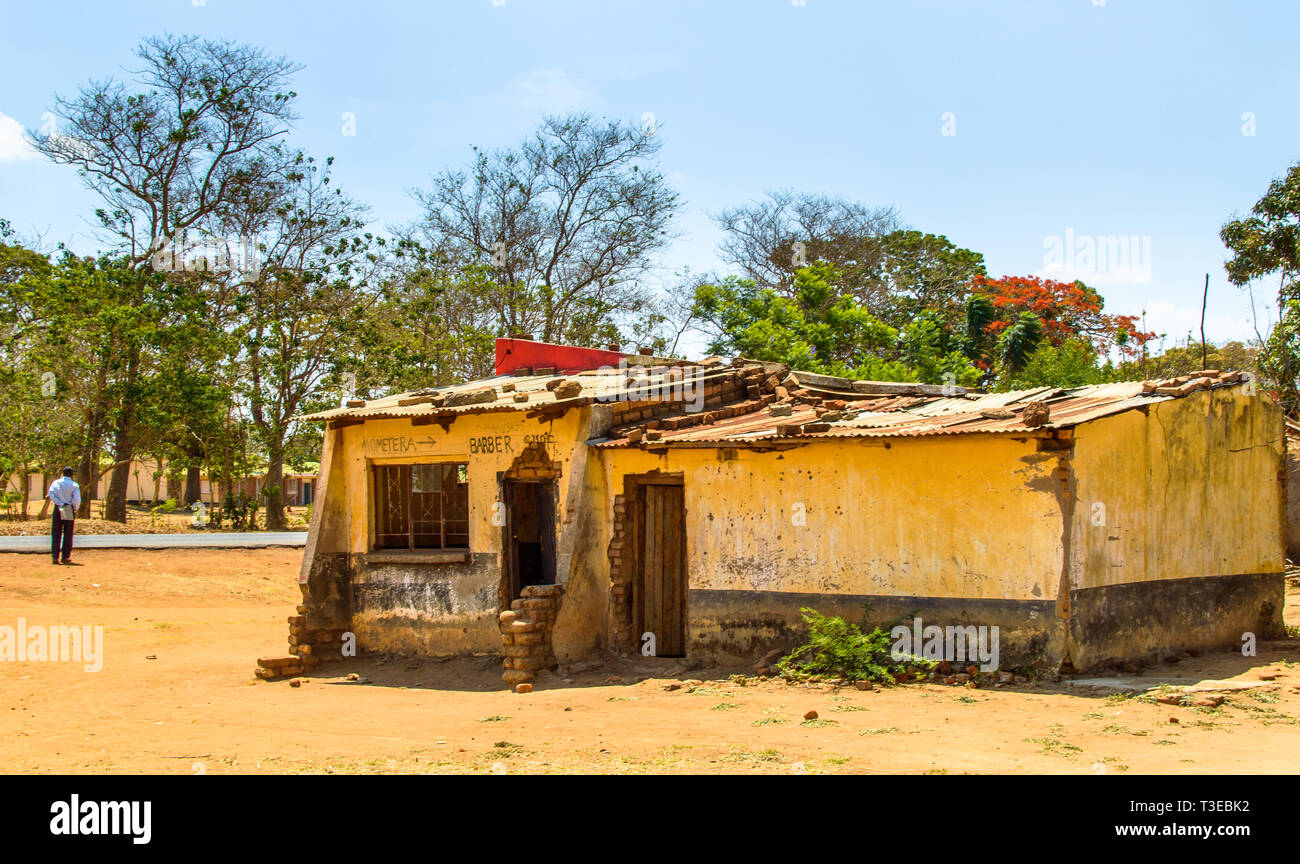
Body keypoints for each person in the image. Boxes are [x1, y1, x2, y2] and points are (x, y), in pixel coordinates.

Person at [48, 467, 81, 565]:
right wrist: (74, 508)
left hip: (58, 508)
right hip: (69, 508)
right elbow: (76, 499)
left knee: (56, 532)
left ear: (62, 473)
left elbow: (51, 494)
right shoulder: (74, 485)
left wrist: (60, 503)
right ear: (72, 475)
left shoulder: (56, 483)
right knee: (68, 533)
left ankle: (55, 557)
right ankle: (66, 556)